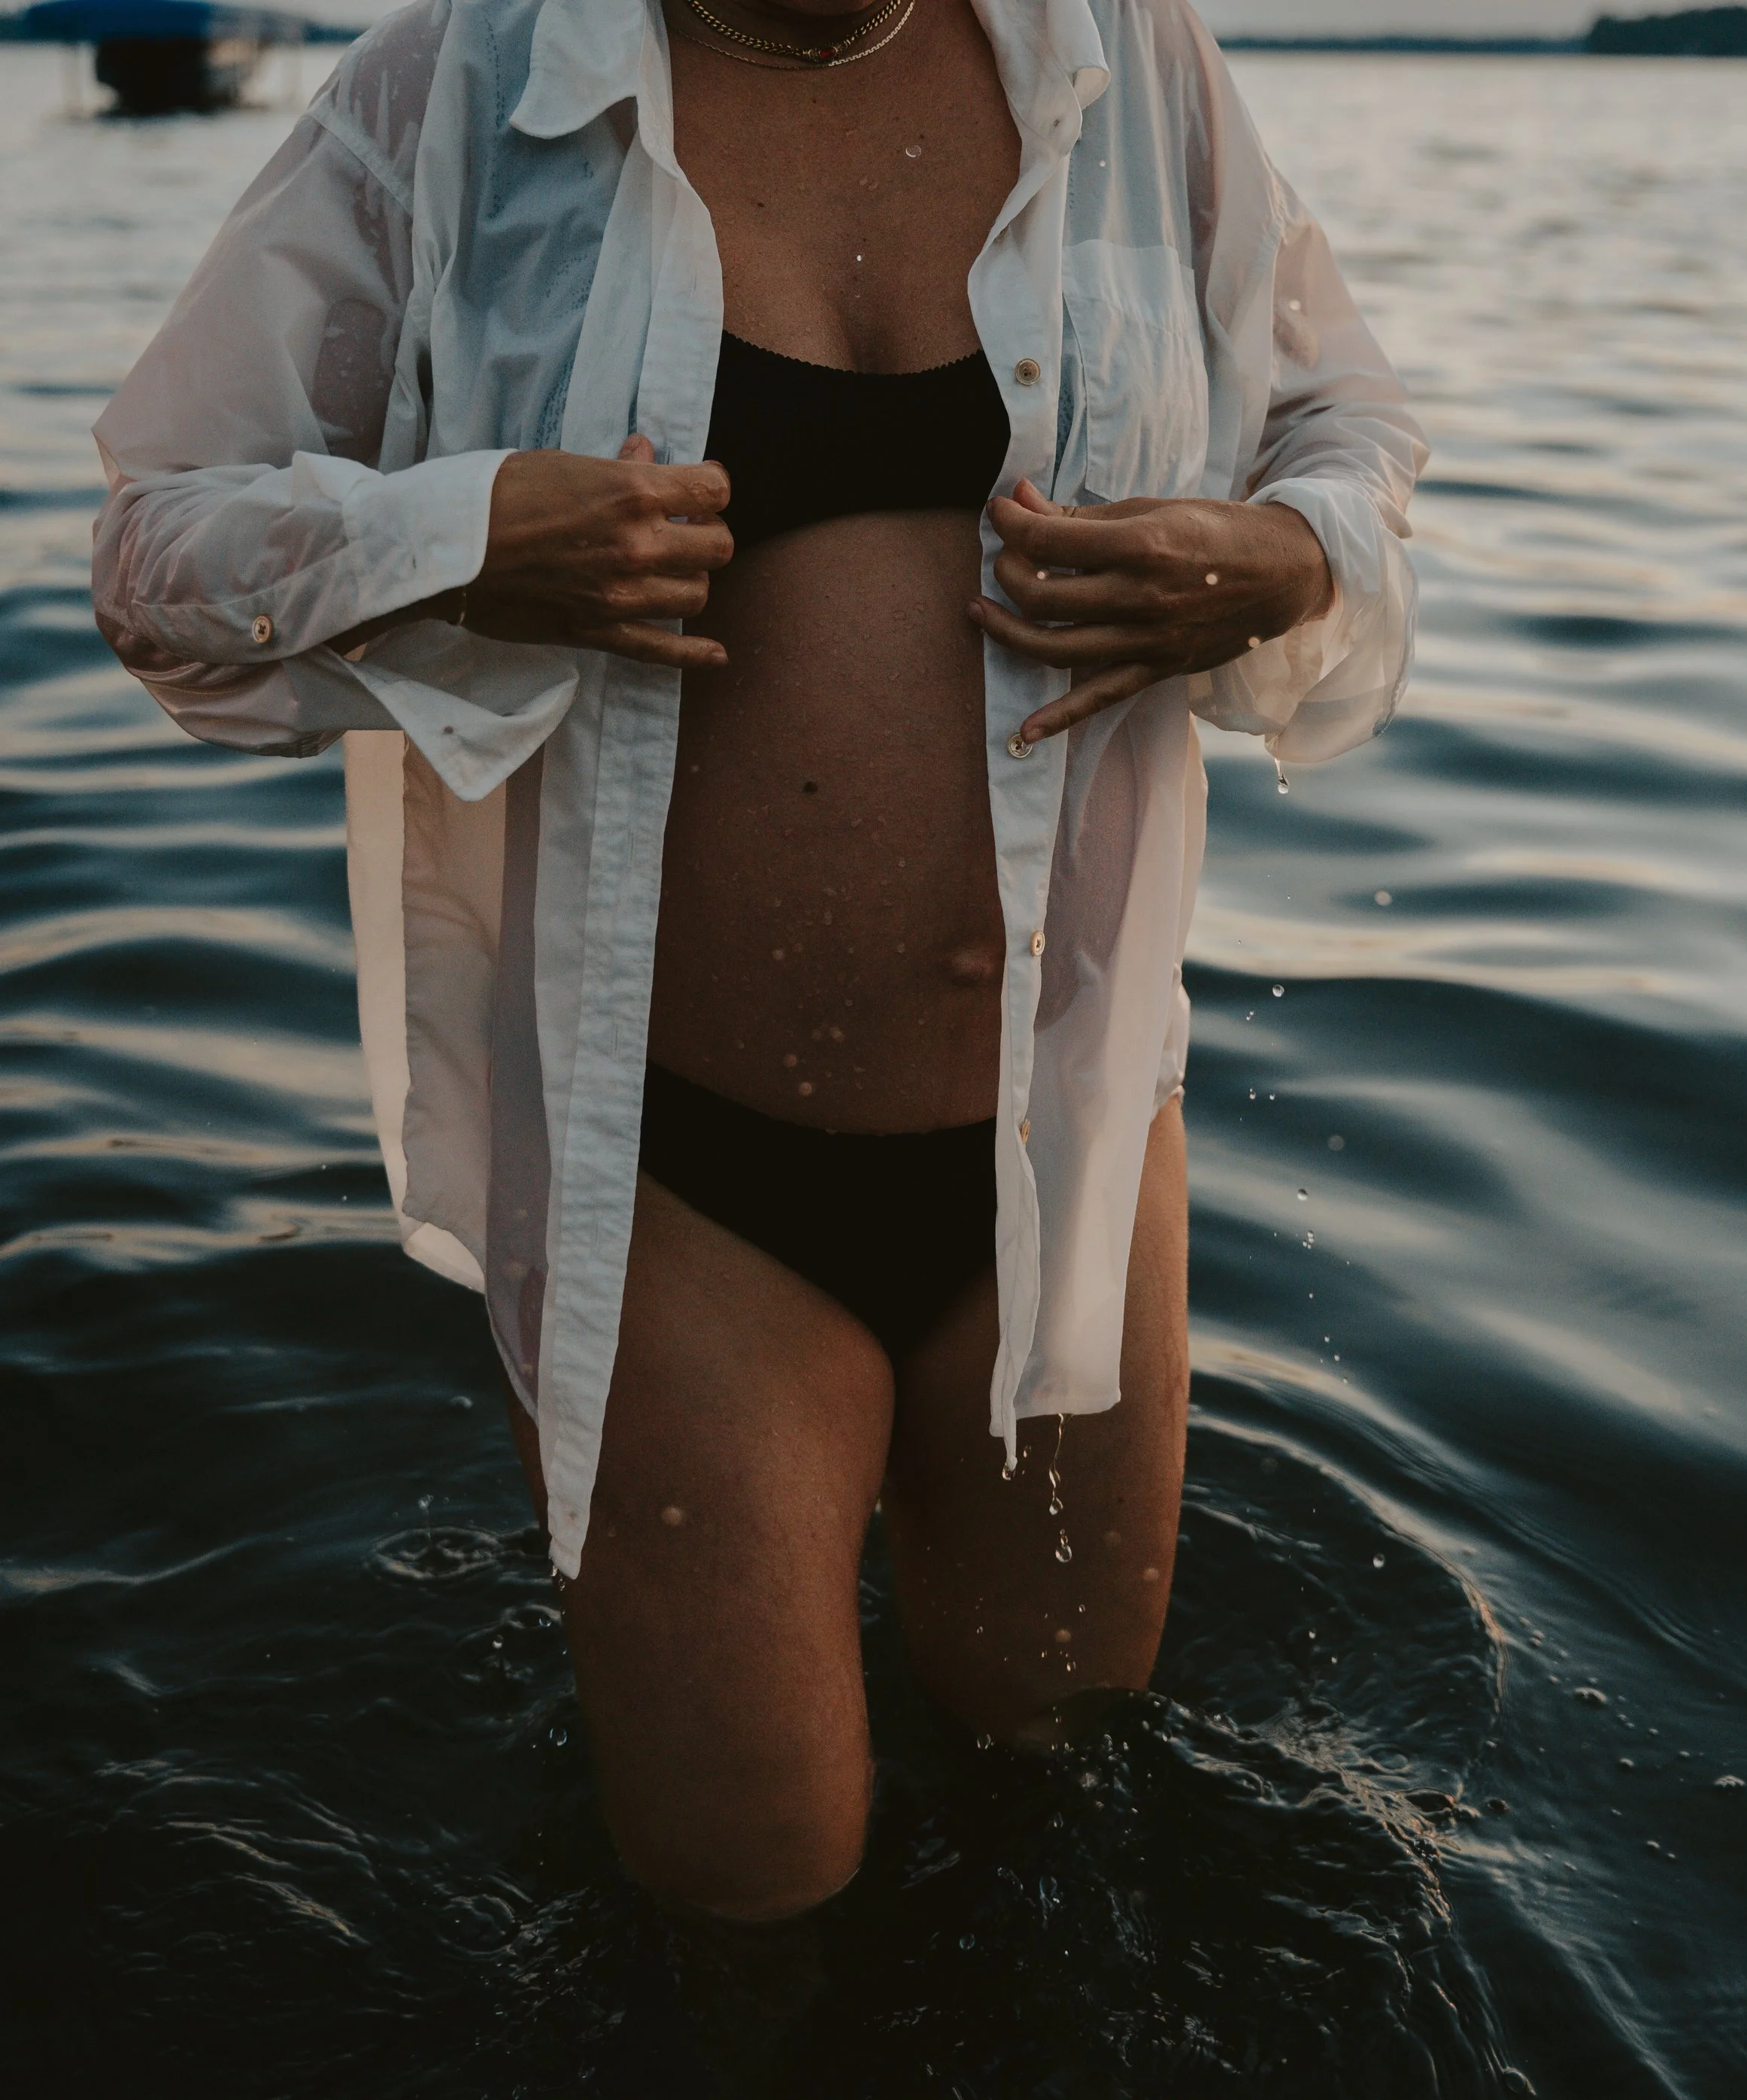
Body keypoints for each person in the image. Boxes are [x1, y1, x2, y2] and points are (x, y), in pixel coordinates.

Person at [93, 0, 1424, 1937]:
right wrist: (454, 540)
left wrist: (1287, 559)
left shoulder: (1123, 60)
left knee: (1066, 1818)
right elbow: (153, 553)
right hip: (685, 1184)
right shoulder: (472, 88)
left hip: (1072, 1134)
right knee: (749, 1916)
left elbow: (1350, 431)